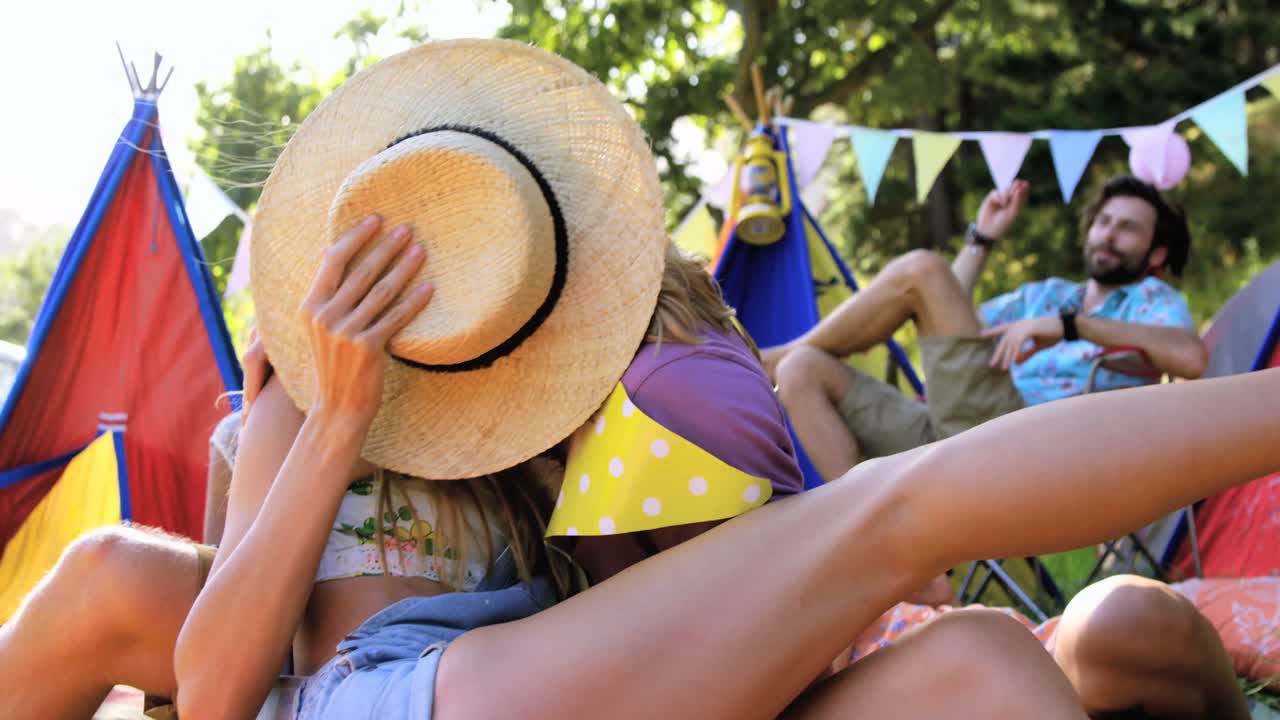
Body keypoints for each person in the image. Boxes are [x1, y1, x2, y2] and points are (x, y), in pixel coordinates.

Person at [0, 40, 1273, 720]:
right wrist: (330, 414)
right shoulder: (310, 401)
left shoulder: (563, 424)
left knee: (983, 663)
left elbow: (669, 621)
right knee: (899, 509)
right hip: (384, 703)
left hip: (556, 688)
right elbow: (219, 695)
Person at [765, 176, 1207, 481]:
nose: (1108, 234)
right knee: (801, 370)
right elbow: (938, 309)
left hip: (1036, 451)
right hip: (966, 427)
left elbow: (1191, 358)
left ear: (1155, 254)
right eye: (1104, 222)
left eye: (1127, 229)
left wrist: (1075, 327)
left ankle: (765, 361)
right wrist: (981, 240)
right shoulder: (1048, 294)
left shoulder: (1152, 300)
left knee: (922, 267)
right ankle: (878, 540)